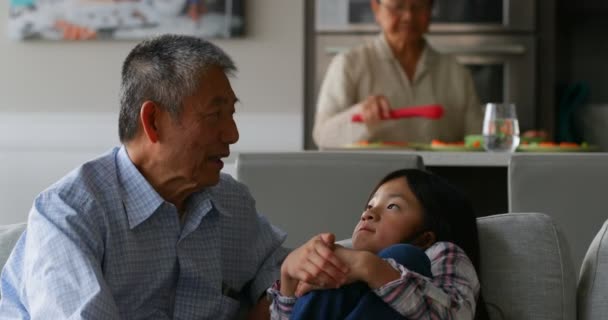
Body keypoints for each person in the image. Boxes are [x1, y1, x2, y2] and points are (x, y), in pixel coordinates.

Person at [0, 34, 305, 319]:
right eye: (214, 116)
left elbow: (279, 280)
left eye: (231, 114)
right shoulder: (69, 215)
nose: (232, 134)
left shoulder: (230, 201)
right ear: (153, 121)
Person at [269, 169, 490, 319]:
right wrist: (288, 278)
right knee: (331, 269)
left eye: (392, 206)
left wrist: (369, 267)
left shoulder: (441, 252)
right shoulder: (342, 256)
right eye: (370, 205)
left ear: (426, 238)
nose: (369, 212)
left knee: (404, 256)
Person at [313, 0, 483, 148]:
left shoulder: (457, 73)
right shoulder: (349, 64)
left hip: (439, 182)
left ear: (430, 10)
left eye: (418, 6)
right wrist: (362, 115)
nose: (408, 16)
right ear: (376, 8)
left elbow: (479, 142)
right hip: (372, 182)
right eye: (397, 6)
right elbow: (322, 137)